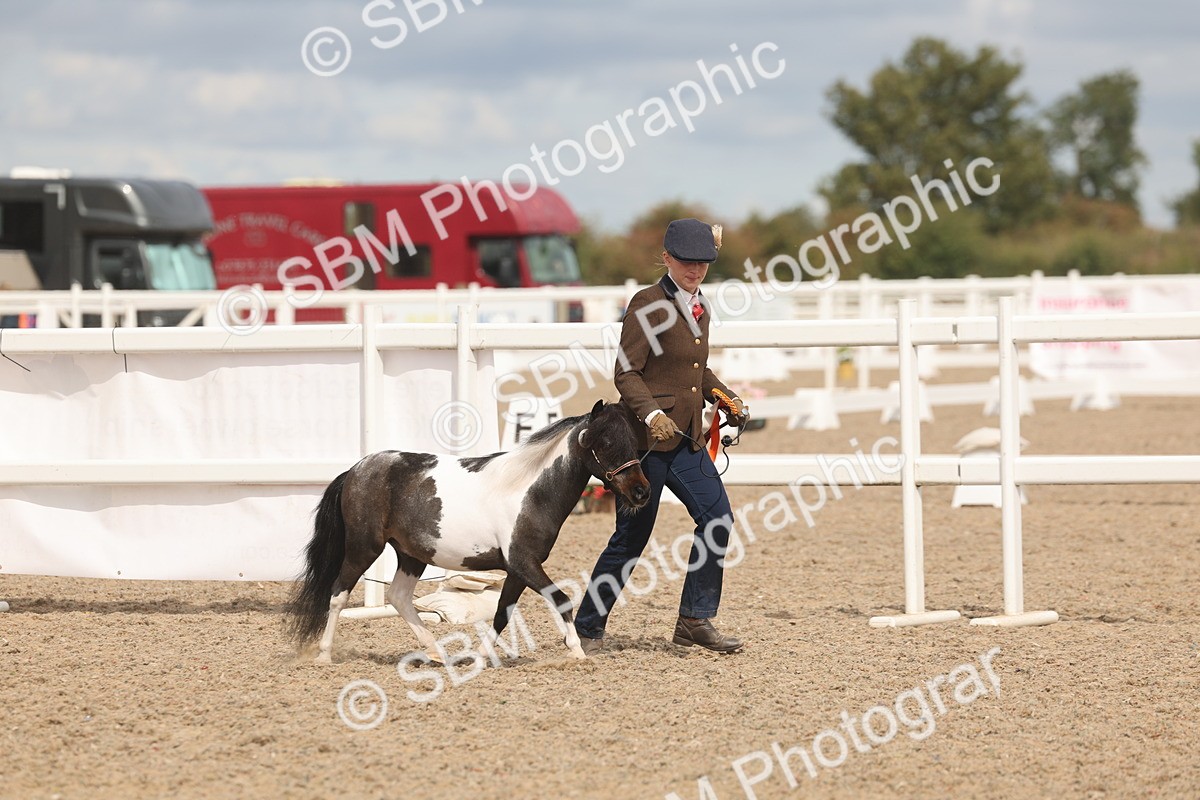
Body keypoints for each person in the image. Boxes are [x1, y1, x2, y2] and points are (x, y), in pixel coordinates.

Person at [574, 218, 749, 654]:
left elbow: (695, 372)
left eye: (703, 262)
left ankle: (694, 619)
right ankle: (587, 626)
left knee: (718, 519)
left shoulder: (701, 307)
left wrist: (723, 395)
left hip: (687, 440)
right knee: (632, 538)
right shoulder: (647, 304)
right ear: (667, 258)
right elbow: (626, 372)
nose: (695, 270)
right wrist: (652, 414)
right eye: (687, 262)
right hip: (645, 444)